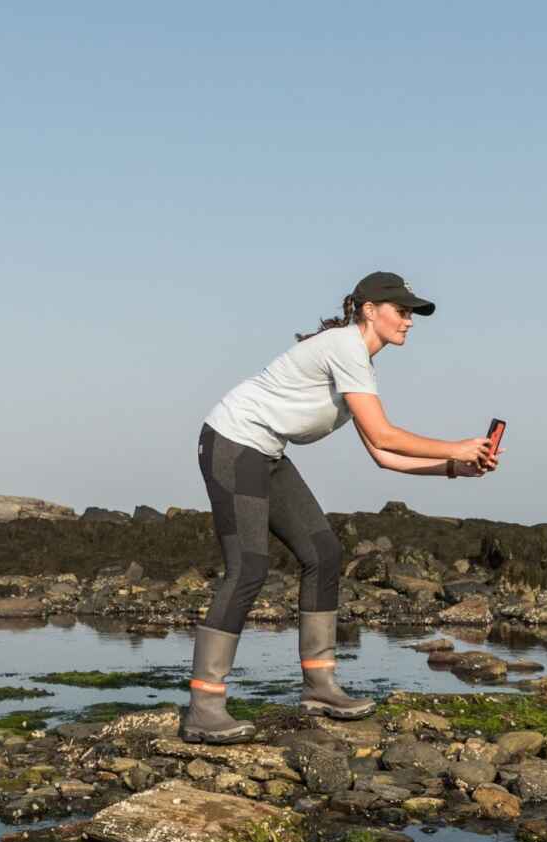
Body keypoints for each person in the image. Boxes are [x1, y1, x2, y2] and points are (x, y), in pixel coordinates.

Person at [182, 271, 500, 744]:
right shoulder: (344, 346)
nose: (409, 320)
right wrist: (456, 447)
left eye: (412, 313)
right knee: (248, 566)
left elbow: (383, 456)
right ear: (369, 310)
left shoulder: (359, 364)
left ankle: (320, 686)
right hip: (232, 442)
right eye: (401, 310)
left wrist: (455, 469)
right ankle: (204, 707)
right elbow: (384, 436)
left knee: (323, 553)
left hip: (266, 452)